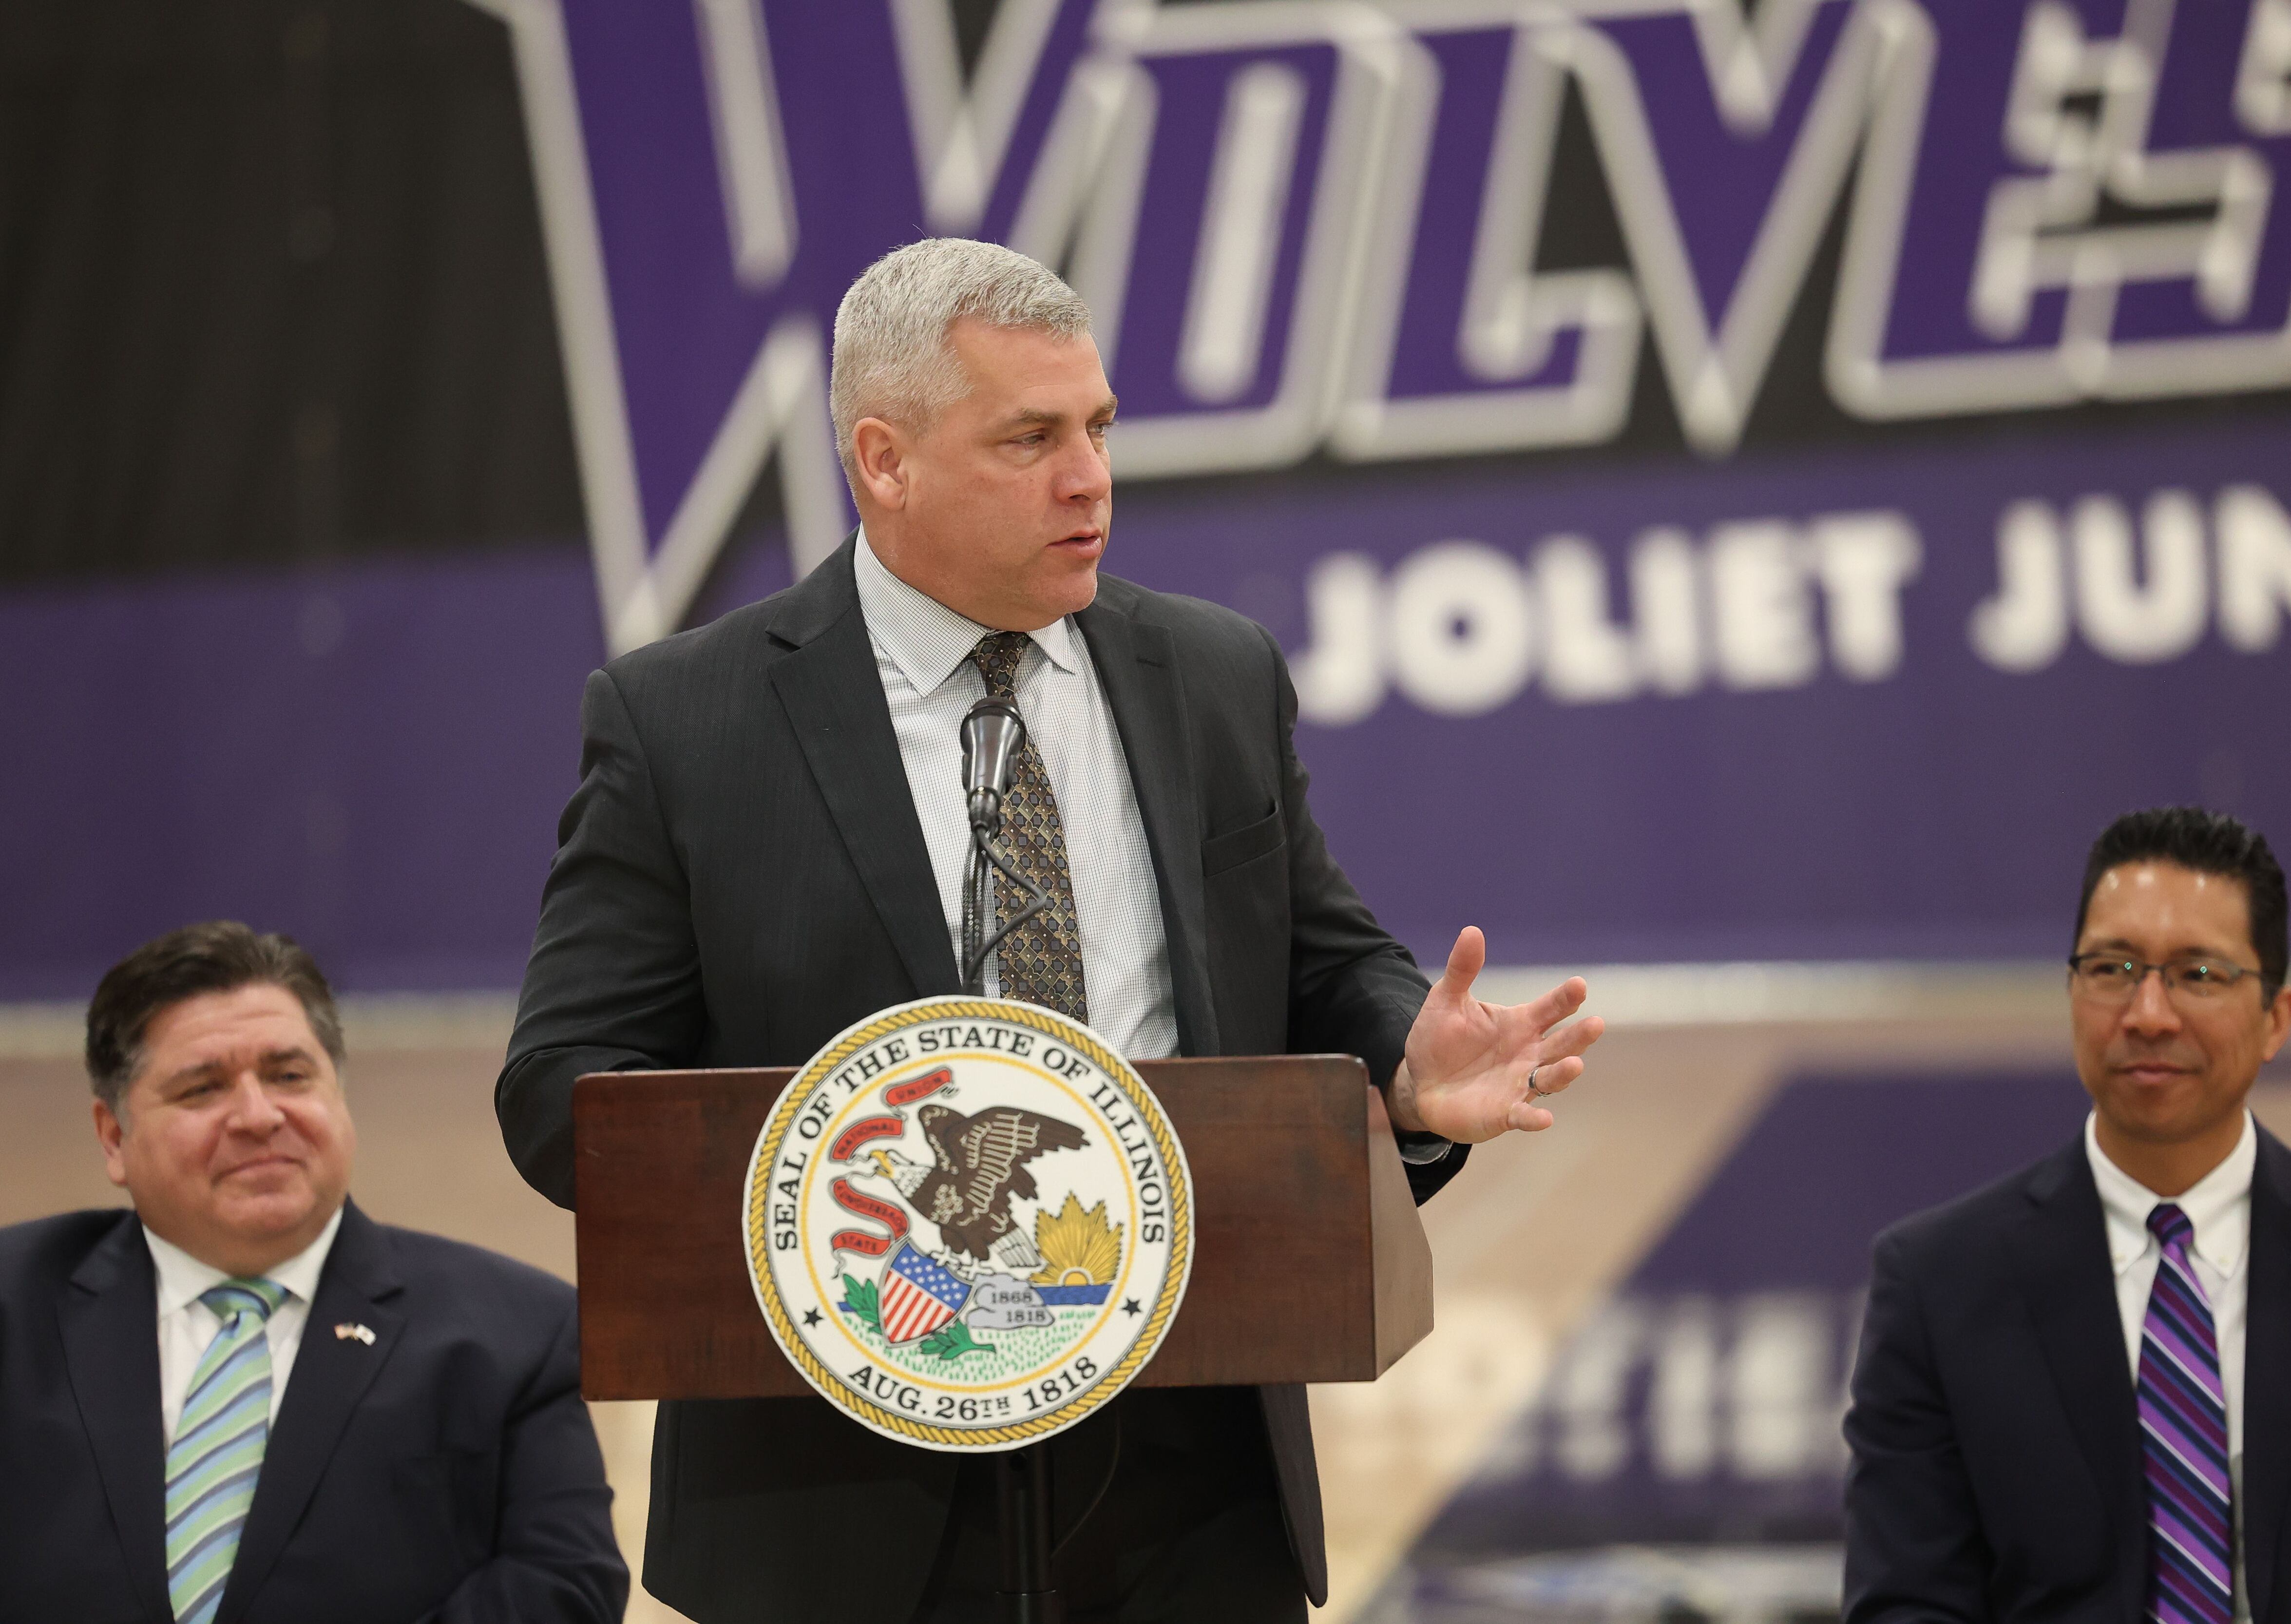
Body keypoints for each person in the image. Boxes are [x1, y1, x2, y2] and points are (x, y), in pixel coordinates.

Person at [498, 237, 1605, 1623]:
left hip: (1189, 1476)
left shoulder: (1212, 671)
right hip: (843, 1495)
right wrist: (858, 1189)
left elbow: (1324, 963)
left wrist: (1408, 1061)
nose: (1089, 478)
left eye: (1097, 428)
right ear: (883, 460)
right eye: (1029, 438)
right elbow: (562, 1094)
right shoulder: (685, 721)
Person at [0, 921, 628, 1623]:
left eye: (289, 1075)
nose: (258, 1115)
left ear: (338, 1099)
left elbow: (564, 1586)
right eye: (202, 1089)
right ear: (114, 1135)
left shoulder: (517, 1336)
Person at [1845, 808, 2291, 1624]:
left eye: (2198, 975)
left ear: (2276, 1017)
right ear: (2073, 988)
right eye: (2112, 968)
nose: (2148, 1013)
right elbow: (1906, 1603)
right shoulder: (1940, 1282)